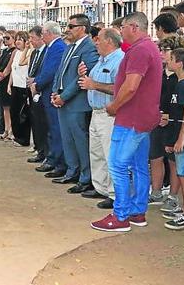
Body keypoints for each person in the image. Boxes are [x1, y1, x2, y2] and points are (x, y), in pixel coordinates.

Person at [91, 12, 162, 232]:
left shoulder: (140, 50)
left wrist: (114, 106)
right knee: (139, 166)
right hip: (142, 117)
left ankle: (120, 215)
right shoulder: (147, 48)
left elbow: (131, 86)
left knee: (117, 164)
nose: (120, 31)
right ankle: (137, 211)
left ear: (133, 27)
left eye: (122, 27)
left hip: (132, 118)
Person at [51, 14, 99, 194]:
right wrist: (55, 92)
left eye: (71, 26)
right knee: (68, 140)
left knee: (80, 141)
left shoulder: (89, 48)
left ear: (82, 28)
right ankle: (72, 171)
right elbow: (60, 71)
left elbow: (82, 78)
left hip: (77, 103)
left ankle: (85, 177)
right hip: (63, 101)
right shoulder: (69, 47)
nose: (67, 30)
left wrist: (64, 96)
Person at [77, 28, 124, 209]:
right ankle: (101, 187)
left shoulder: (119, 60)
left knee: (110, 153)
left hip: (109, 114)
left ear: (110, 42)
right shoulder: (101, 60)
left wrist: (93, 84)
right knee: (96, 152)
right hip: (96, 112)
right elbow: (92, 83)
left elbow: (118, 88)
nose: (96, 43)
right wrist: (84, 76)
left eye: (99, 40)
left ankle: (114, 193)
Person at [150, 36, 184, 217]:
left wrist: (169, 117)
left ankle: (173, 195)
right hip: (157, 120)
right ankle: (156, 191)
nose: (161, 54)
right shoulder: (160, 72)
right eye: (161, 50)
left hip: (175, 123)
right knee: (155, 156)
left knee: (174, 161)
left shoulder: (181, 79)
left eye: (165, 51)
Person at [30, 22, 67, 178]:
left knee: (56, 129)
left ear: (49, 33)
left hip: (51, 93)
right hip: (46, 93)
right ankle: (53, 159)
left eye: (43, 33)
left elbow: (51, 71)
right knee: (52, 129)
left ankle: (58, 162)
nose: (42, 36)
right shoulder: (52, 47)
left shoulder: (57, 47)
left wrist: (37, 84)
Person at [163, 48, 184, 230]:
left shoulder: (183, 85)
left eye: (171, 58)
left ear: (179, 63)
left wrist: (179, 140)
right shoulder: (180, 84)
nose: (167, 60)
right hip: (180, 135)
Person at [25, 26, 47, 163]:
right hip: (32, 91)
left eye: (33, 37)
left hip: (41, 91)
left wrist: (36, 82)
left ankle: (45, 152)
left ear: (41, 37)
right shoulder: (34, 53)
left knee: (43, 124)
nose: (31, 41)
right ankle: (39, 149)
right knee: (36, 122)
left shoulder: (46, 52)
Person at [8, 31, 32, 146]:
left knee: (23, 114)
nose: (17, 42)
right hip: (15, 85)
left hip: (24, 86)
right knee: (14, 112)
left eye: (20, 39)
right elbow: (13, 70)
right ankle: (16, 135)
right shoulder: (16, 53)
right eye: (16, 39)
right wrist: (9, 84)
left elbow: (23, 66)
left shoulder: (29, 53)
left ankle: (24, 138)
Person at [0, 31, 16, 139]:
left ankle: (11, 129)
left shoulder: (14, 50)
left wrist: (1, 76)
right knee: (5, 107)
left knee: (10, 107)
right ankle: (6, 128)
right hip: (2, 78)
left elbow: (9, 67)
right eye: (4, 38)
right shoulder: (5, 50)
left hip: (8, 79)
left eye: (8, 38)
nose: (5, 40)